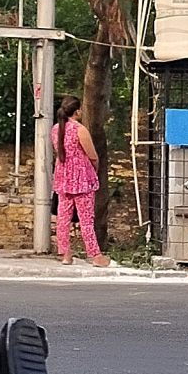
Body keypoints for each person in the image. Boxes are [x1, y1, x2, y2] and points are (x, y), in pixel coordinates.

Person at [51, 94, 107, 264]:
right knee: (86, 218)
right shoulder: (80, 130)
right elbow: (92, 156)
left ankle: (65, 254)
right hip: (82, 178)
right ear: (76, 111)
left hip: (63, 176)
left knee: (63, 217)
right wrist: (94, 169)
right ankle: (95, 255)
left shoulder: (55, 129)